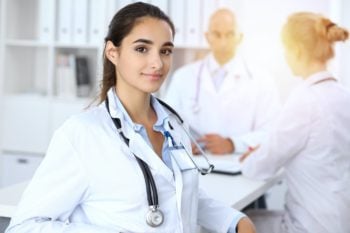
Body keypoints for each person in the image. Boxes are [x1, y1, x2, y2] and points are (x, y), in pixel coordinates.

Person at [5, 2, 256, 233]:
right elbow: (25, 226)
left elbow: (178, 196)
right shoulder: (82, 134)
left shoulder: (174, 125)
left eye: (165, 51)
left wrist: (234, 221)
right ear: (113, 53)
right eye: (142, 49)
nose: (157, 62)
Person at [240, 12, 350, 233]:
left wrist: (249, 159)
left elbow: (261, 167)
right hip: (341, 222)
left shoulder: (304, 100)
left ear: (297, 50)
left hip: (310, 227)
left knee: (239, 222)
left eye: (285, 49)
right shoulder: (343, 95)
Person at [164, 8, 280, 156]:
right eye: (217, 34)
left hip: (239, 166)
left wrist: (232, 144)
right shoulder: (183, 76)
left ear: (240, 37)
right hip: (194, 162)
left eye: (230, 34)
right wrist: (180, 141)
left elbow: (271, 131)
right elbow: (167, 123)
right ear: (207, 37)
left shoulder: (262, 79)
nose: (223, 42)